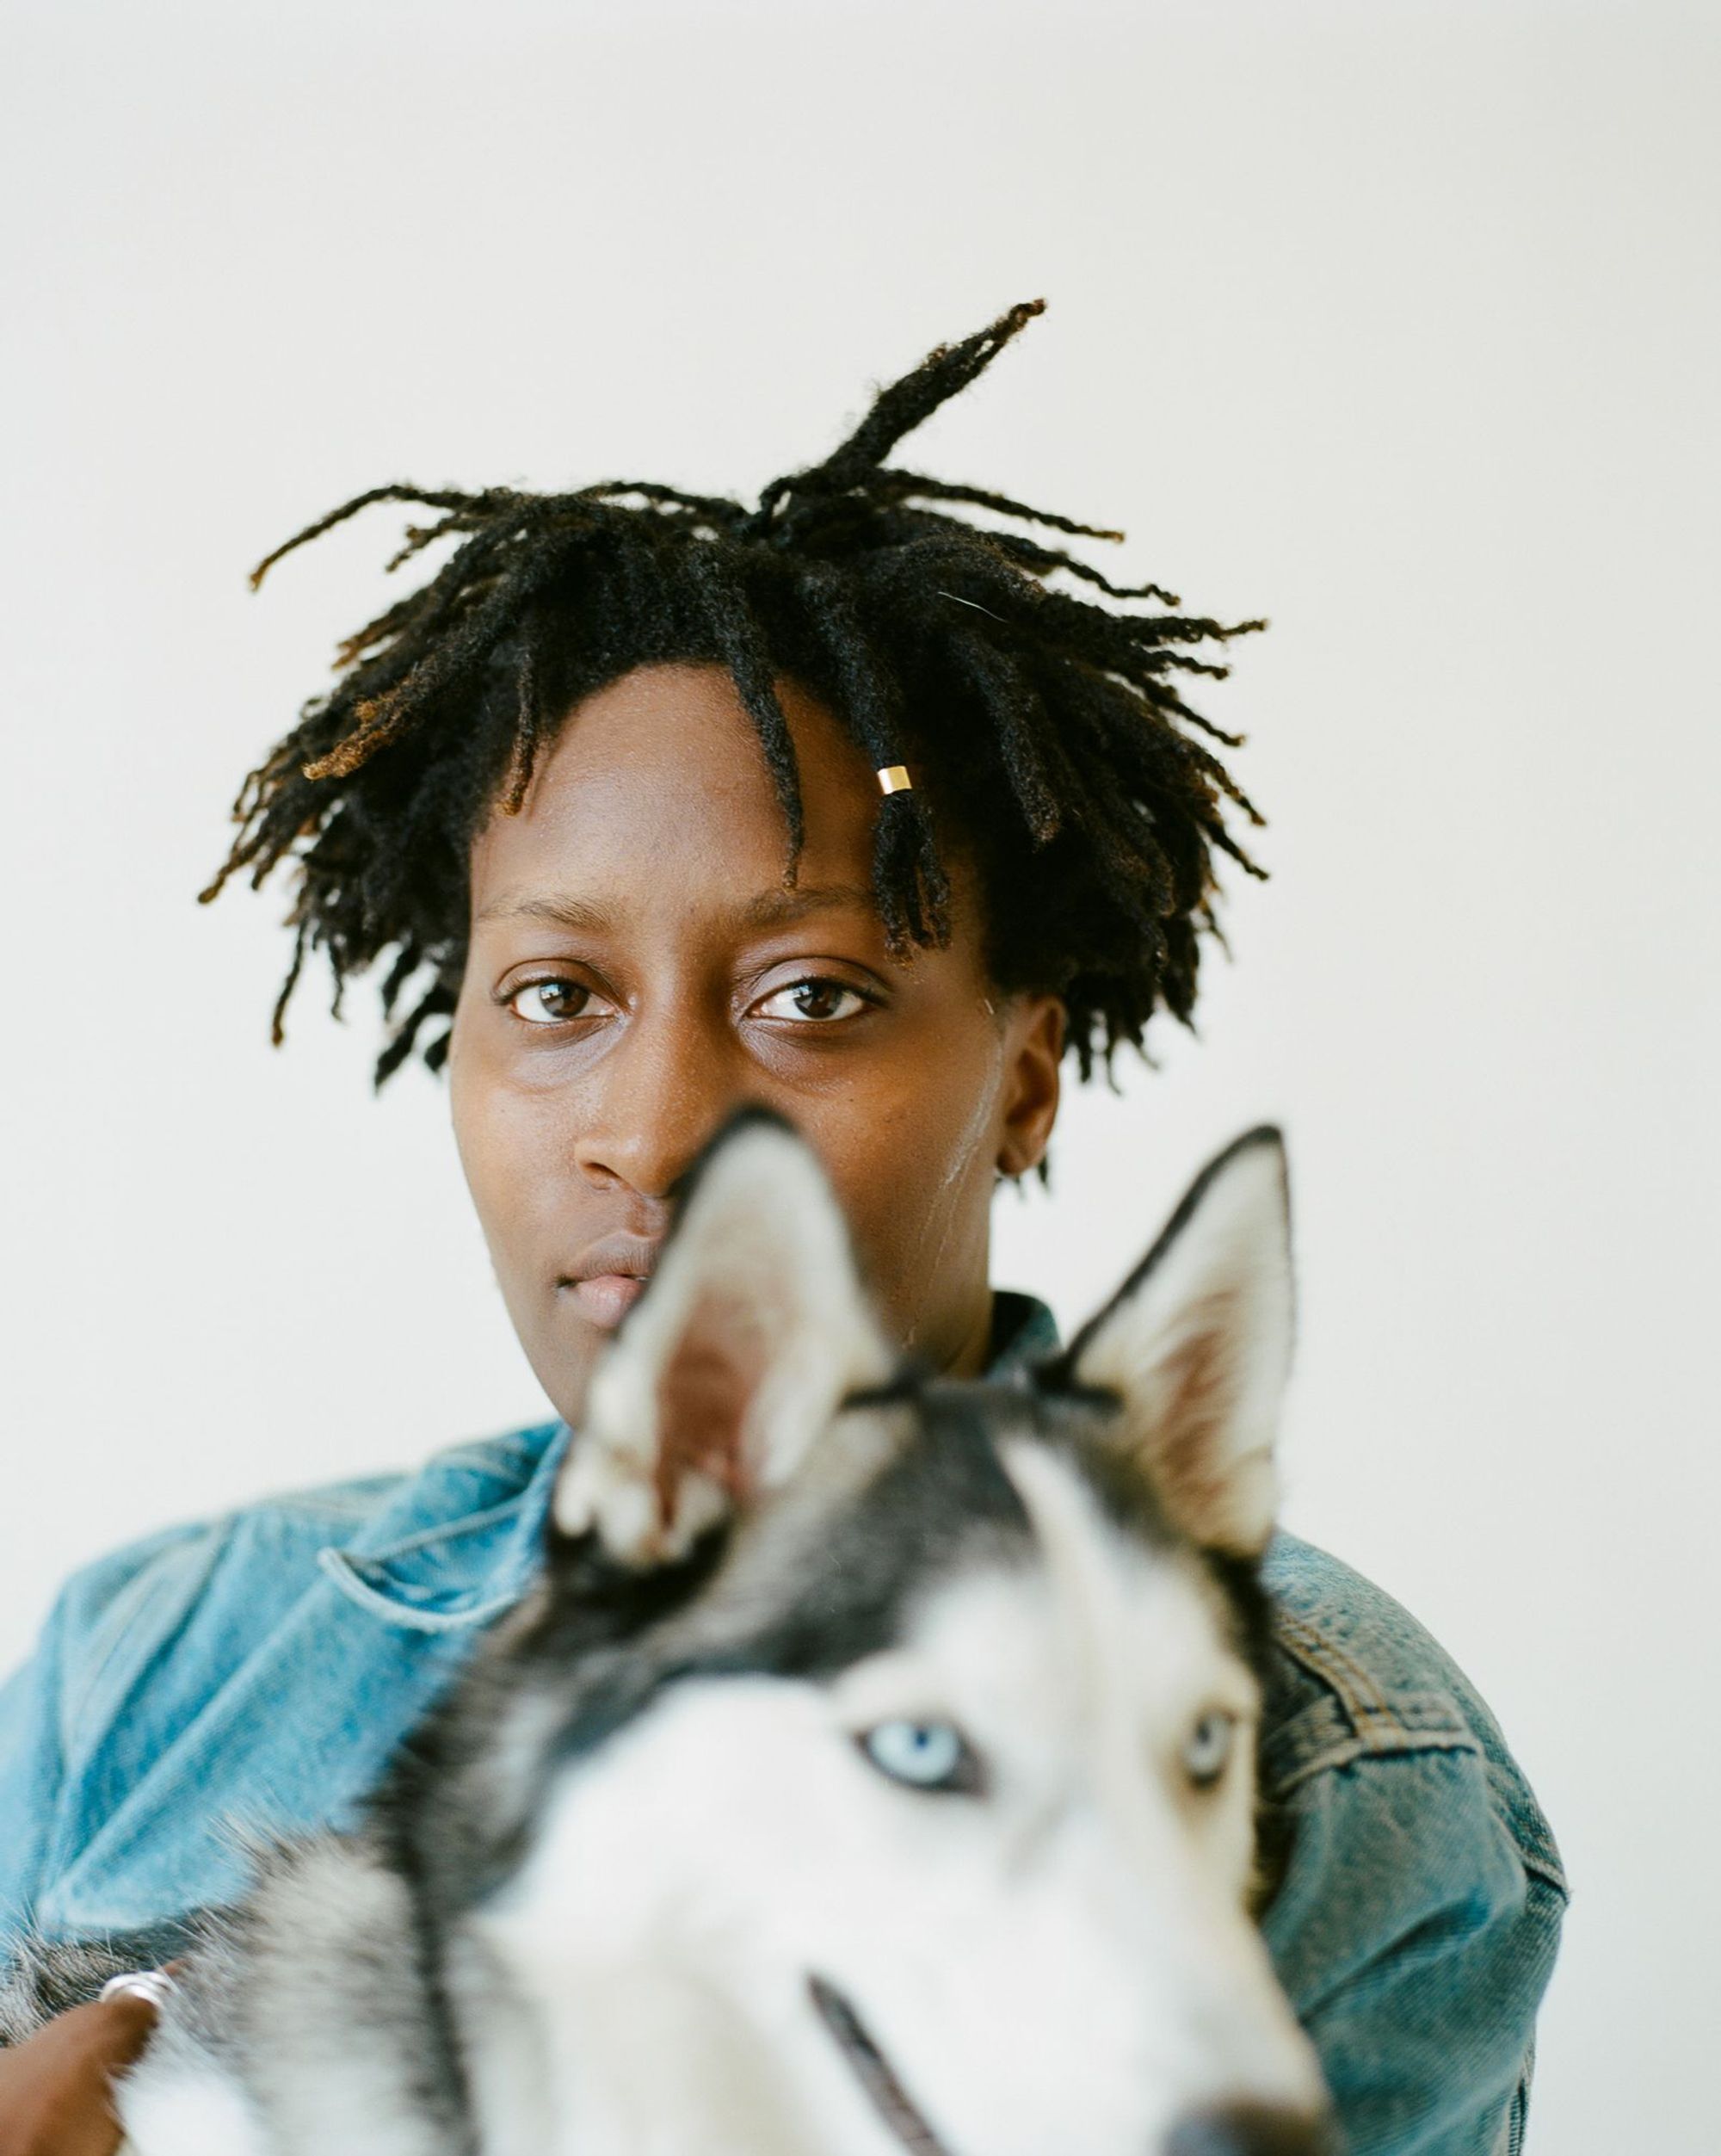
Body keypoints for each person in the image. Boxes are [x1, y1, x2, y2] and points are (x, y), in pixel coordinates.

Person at [0, 301, 1564, 2153]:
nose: (654, 1131)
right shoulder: (158, 1656)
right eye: (557, 996)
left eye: (811, 995)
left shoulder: (1327, 1753)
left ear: (1025, 1076)